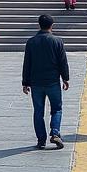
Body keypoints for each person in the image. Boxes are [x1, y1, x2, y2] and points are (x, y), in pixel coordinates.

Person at [22, 14, 70, 150]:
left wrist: (25, 82)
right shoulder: (57, 41)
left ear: (39, 25)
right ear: (52, 25)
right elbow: (63, 62)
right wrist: (65, 78)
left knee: (38, 111)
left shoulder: (31, 42)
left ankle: (41, 140)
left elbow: (27, 63)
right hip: (52, 81)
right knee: (56, 108)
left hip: (36, 82)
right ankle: (55, 132)